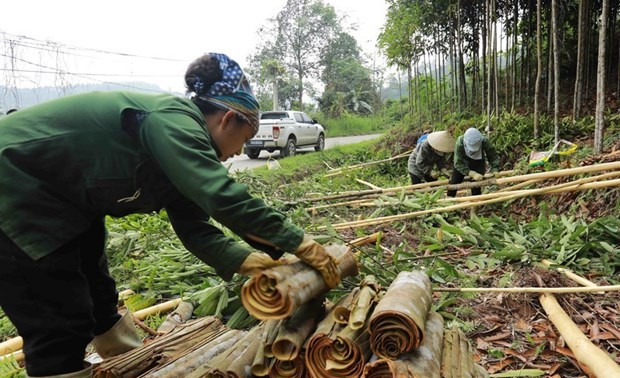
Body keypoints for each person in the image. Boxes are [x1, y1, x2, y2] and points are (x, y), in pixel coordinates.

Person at [0, 52, 340, 378]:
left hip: (64, 202)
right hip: (15, 187)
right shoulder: (174, 121)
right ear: (227, 120)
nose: (238, 152)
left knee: (99, 297)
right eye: (245, 138)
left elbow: (196, 229)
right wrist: (301, 243)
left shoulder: (180, 148)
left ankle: (133, 366)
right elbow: (220, 196)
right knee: (59, 318)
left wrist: (250, 261)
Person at [447, 127, 500, 197]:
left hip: (478, 162)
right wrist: (471, 173)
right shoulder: (460, 143)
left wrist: (495, 169)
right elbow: (458, 163)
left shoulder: (484, 141)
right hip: (463, 162)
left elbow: (493, 156)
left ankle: (475, 204)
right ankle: (449, 199)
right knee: (454, 181)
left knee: (476, 185)